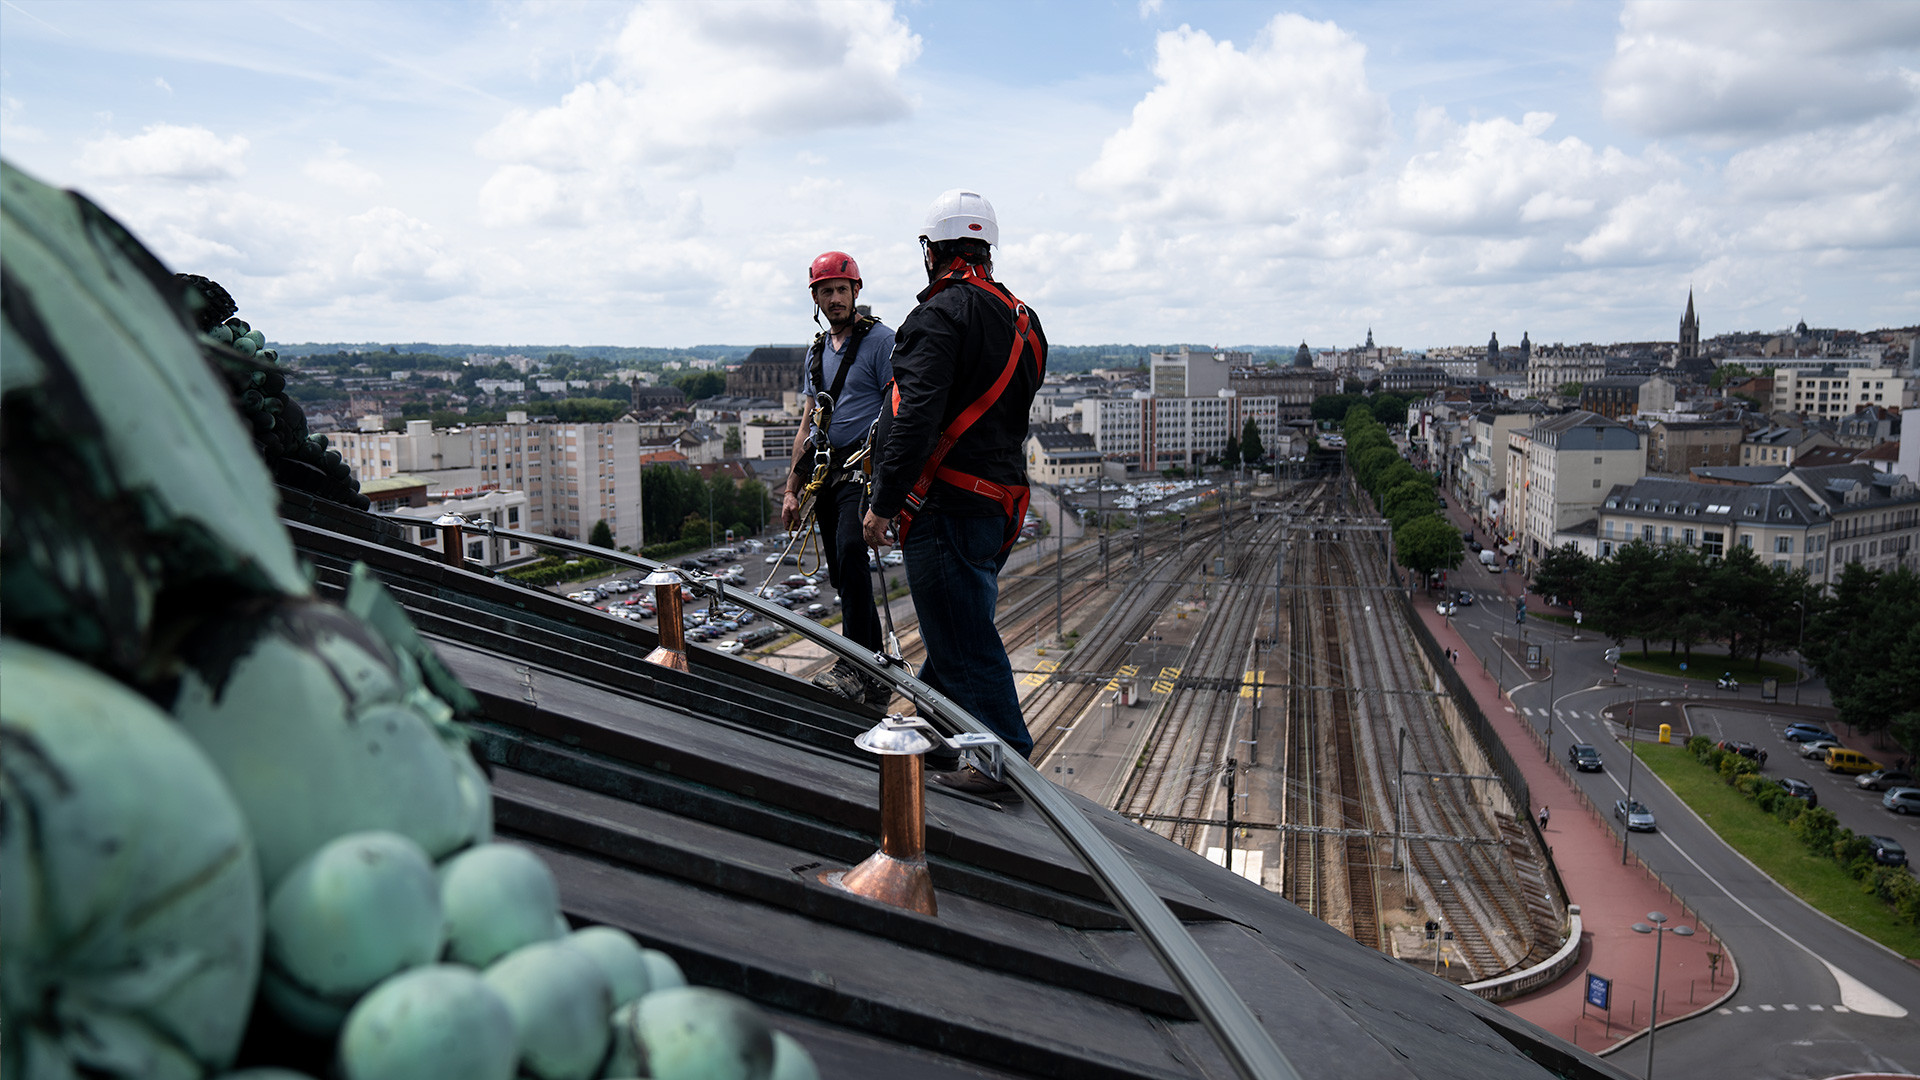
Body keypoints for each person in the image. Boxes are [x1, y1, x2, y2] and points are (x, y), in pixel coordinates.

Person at [865, 189, 1046, 798]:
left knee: (965, 639)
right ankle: (941, 735)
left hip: (947, 504)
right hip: (998, 502)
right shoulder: (1024, 320)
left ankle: (1001, 760)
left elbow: (914, 418)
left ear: (933, 249)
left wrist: (884, 502)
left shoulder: (938, 316)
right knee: (954, 627)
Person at [782, 251, 895, 706]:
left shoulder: (882, 342)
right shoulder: (815, 354)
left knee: (851, 551)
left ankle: (855, 665)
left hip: (862, 468)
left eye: (841, 290)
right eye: (825, 291)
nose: (834, 299)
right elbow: (807, 425)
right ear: (815, 297)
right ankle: (876, 670)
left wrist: (887, 490)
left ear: (856, 292)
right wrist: (791, 490)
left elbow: (898, 411)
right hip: (826, 472)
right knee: (843, 574)